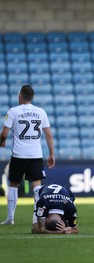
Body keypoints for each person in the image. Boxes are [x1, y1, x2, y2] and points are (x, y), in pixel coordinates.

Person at [0, 84, 55, 225]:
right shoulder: (41, 112)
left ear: (20, 95)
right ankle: (38, 218)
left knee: (13, 185)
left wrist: (2, 141)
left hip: (19, 155)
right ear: (32, 97)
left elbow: (4, 133)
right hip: (35, 155)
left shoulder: (13, 111)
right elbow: (48, 134)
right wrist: (51, 154)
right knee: (36, 186)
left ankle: (10, 218)